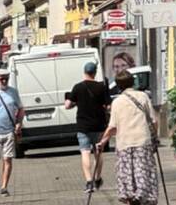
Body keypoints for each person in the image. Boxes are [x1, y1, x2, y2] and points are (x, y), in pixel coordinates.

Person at [96, 70, 159, 205]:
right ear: (133, 82)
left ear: (118, 86)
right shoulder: (143, 97)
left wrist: (103, 141)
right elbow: (154, 121)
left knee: (128, 178)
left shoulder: (117, 102)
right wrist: (155, 136)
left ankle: (132, 199)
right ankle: (142, 198)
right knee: (143, 175)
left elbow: (113, 127)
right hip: (142, 142)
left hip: (124, 144)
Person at [65, 61, 112, 193]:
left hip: (83, 126)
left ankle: (88, 182)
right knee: (98, 152)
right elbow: (108, 106)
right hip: (99, 125)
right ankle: (98, 178)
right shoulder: (101, 87)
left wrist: (74, 103)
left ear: (84, 72)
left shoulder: (77, 87)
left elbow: (67, 105)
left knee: (85, 152)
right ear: (95, 73)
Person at [0, 68, 24, 197]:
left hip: (9, 132)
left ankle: (4, 187)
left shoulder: (13, 92)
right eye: (1, 78)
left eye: (6, 78)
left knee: (7, 159)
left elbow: (21, 109)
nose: (3, 81)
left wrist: (19, 123)